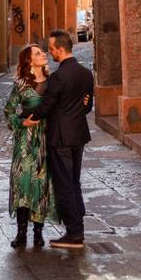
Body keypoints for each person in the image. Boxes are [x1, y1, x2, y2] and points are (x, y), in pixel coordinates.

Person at [22, 29, 94, 249]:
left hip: (60, 138)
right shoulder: (85, 73)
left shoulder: (59, 76)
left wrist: (25, 117)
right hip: (78, 135)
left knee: (64, 185)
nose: (50, 52)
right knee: (74, 182)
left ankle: (74, 234)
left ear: (60, 49)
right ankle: (77, 228)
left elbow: (46, 106)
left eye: (52, 49)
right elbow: (87, 105)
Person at [3, 44, 57, 248]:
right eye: (38, 53)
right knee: (23, 183)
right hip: (24, 142)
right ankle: (21, 232)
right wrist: (21, 123)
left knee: (41, 185)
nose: (44, 55)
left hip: (45, 140)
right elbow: (8, 111)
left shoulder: (53, 83)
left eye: (43, 52)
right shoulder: (21, 84)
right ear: (29, 60)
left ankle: (38, 232)